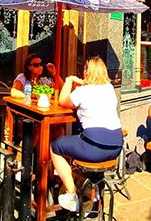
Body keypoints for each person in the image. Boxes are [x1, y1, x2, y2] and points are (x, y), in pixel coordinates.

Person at [49, 56, 124, 212]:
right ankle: (91, 190)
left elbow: (63, 101)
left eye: (84, 68)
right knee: (75, 142)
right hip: (116, 146)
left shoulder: (83, 91)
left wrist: (69, 80)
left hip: (94, 148)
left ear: (88, 71)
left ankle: (71, 194)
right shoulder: (109, 88)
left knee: (56, 146)